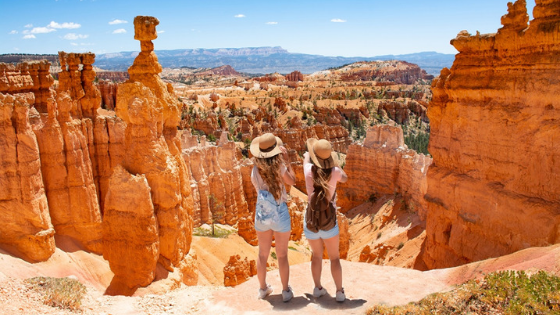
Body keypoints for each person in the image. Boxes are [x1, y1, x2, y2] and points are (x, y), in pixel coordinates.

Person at [250, 133, 296, 302]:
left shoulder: (255, 170)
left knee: (262, 254)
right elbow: (292, 181)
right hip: (280, 213)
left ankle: (262, 289)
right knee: (282, 255)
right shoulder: (280, 167)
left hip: (262, 214)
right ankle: (285, 291)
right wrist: (287, 161)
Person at [303, 138, 348, 302]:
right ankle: (339, 292)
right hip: (329, 221)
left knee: (316, 256)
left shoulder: (307, 169)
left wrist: (308, 155)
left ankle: (317, 288)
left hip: (311, 220)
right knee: (334, 258)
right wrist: (336, 163)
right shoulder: (335, 172)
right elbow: (345, 178)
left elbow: (306, 159)